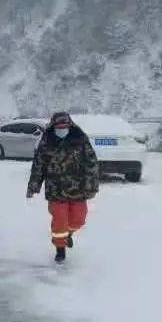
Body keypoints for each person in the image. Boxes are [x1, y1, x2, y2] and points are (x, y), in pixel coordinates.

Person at [26, 111, 99, 263]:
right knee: (60, 220)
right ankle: (60, 249)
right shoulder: (46, 141)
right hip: (55, 189)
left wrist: (91, 185)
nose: (61, 129)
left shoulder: (80, 139)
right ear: (53, 126)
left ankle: (68, 235)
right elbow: (38, 166)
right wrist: (34, 185)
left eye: (64, 126)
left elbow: (91, 163)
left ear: (70, 126)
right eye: (58, 127)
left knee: (79, 218)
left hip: (77, 188)